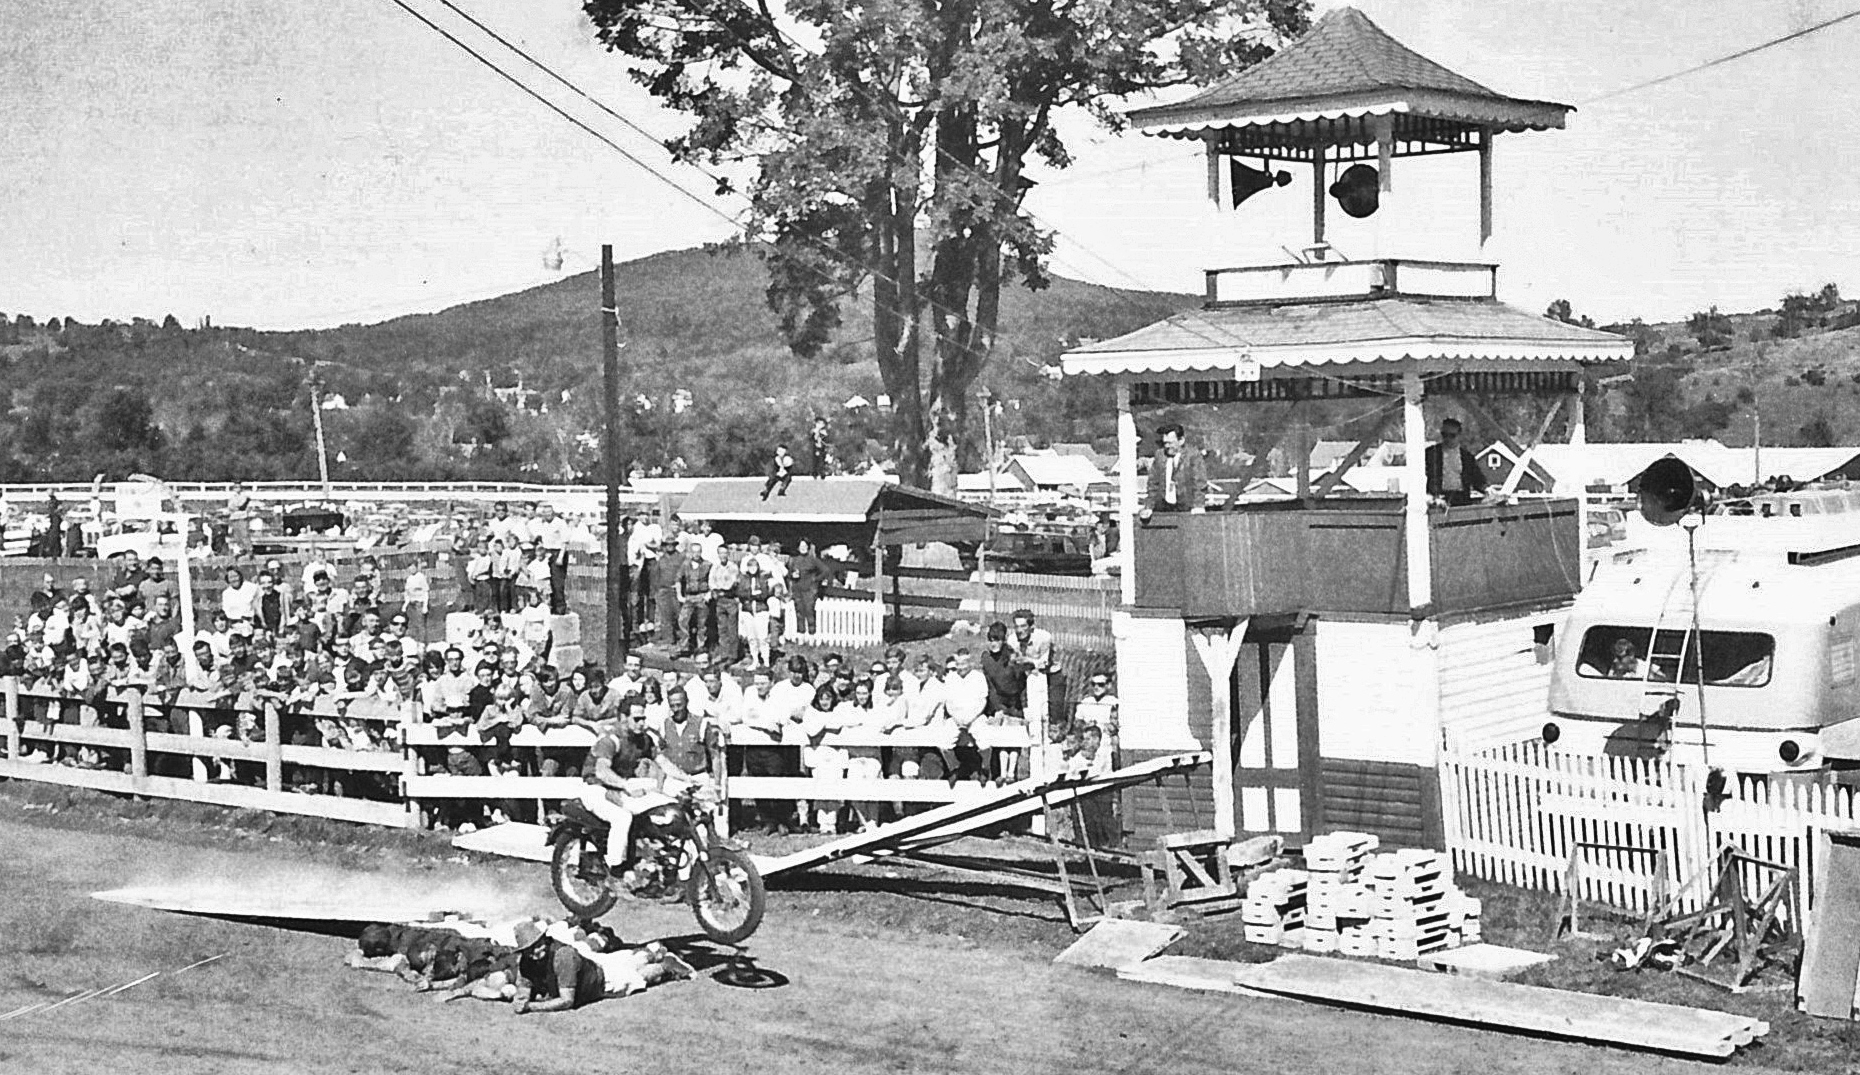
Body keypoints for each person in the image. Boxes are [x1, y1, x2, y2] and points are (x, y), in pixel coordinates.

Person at [501, 919, 693, 1013]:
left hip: (604, 981)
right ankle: (656, 948)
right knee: (632, 957)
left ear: (546, 939)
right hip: (594, 963)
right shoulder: (526, 962)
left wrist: (531, 1007)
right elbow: (524, 986)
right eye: (529, 949)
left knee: (640, 977)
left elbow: (567, 1001)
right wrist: (521, 998)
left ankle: (666, 964)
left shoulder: (563, 957)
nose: (535, 952)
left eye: (538, 945)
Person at [576, 698, 669, 871]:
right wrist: (626, 786)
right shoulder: (611, 739)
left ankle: (650, 861)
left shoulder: (643, 739)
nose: (642, 723)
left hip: (619, 788)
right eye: (637, 719)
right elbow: (602, 771)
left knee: (660, 806)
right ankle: (615, 869)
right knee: (622, 817)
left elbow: (662, 761)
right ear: (622, 717)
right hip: (596, 788)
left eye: (643, 718)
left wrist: (687, 779)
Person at [1139, 423, 1207, 519]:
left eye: (1170, 443)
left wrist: (1198, 506)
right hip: (1164, 507)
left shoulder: (1193, 456)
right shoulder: (1160, 455)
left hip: (1186, 508)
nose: (1167, 446)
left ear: (1181, 440)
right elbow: (1153, 483)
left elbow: (1199, 483)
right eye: (1165, 443)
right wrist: (1149, 506)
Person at [1424, 417, 1489, 507]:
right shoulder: (1431, 454)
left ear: (1459, 435)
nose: (1447, 438)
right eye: (1444, 434)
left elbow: (1477, 480)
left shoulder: (1467, 457)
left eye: (1452, 435)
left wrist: (1489, 491)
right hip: (1438, 500)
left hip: (1461, 498)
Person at [787, 538, 832, 636]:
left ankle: (812, 633)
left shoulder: (813, 559)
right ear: (798, 548)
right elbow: (789, 573)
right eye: (801, 546)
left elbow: (826, 571)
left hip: (809, 590)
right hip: (797, 589)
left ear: (808, 547)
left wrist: (816, 579)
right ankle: (801, 634)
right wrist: (792, 576)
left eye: (805, 546)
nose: (803, 548)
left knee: (809, 610)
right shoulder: (794, 560)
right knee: (799, 611)